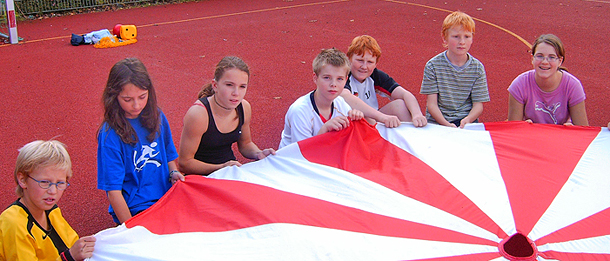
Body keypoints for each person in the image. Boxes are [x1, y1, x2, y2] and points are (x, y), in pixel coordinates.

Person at [97, 57, 183, 225]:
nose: (136, 105)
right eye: (128, 99)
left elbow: (169, 154)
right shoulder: (109, 135)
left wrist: (173, 173)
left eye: (142, 97)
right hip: (137, 208)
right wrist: (130, 228)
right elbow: (113, 192)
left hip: (166, 198)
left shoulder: (157, 116)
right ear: (114, 97)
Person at [178, 56, 276, 176]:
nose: (236, 93)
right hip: (201, 176)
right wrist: (221, 168)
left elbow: (245, 144)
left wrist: (259, 153)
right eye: (229, 85)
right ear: (215, 85)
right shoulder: (198, 115)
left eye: (242, 86)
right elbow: (185, 163)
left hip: (229, 170)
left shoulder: (244, 108)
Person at [0, 140, 96, 260]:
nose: (53, 191)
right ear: (23, 180)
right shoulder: (13, 223)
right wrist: (69, 258)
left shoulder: (51, 210)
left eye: (60, 183)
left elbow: (72, 244)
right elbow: (70, 254)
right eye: (44, 182)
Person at [279, 48, 364, 148]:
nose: (333, 84)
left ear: (346, 80)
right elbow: (303, 154)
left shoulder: (341, 104)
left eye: (339, 79)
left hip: (324, 156)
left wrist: (356, 118)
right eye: (327, 78)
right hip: (291, 161)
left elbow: (351, 140)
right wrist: (325, 129)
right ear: (315, 78)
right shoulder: (300, 111)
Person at [420, 11, 490, 128]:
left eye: (467, 36)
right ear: (444, 38)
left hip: (466, 122)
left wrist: (467, 120)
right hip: (438, 122)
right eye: (456, 37)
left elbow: (478, 105)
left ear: (472, 39)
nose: (462, 42)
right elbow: (432, 105)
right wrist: (446, 124)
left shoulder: (477, 68)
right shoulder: (433, 66)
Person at [341, 35, 427, 128]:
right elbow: (345, 96)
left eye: (370, 62)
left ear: (375, 64)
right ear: (349, 59)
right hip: (352, 120)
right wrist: (382, 117)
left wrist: (417, 114)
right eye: (360, 60)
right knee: (363, 116)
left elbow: (405, 94)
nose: (364, 66)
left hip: (373, 119)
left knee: (400, 105)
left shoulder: (375, 75)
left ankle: (411, 136)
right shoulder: (343, 76)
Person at [507, 34, 588, 126]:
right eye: (540, 56)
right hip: (530, 137)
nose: (545, 62)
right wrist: (523, 127)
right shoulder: (519, 85)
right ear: (532, 59)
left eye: (552, 57)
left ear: (560, 61)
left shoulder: (573, 86)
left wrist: (570, 130)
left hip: (560, 138)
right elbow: (512, 129)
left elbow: (583, 130)